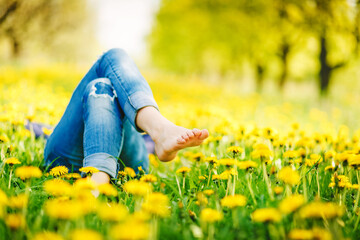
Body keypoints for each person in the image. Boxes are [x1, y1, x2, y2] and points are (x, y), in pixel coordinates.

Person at [44, 48, 209, 185]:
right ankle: (160, 129)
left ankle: (97, 182)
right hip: (74, 160)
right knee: (107, 74)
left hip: (102, 162)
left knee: (102, 83)